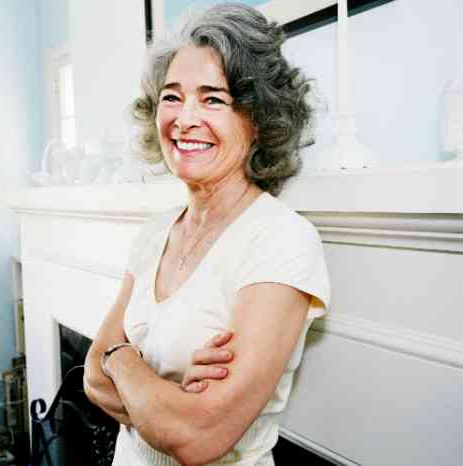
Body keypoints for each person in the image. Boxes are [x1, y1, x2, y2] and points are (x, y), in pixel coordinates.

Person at [83, 3, 330, 466]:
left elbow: (197, 435)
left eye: (213, 98)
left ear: (257, 120)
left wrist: (121, 360)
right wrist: (159, 389)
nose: (184, 118)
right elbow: (91, 378)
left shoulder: (282, 241)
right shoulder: (155, 231)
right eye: (171, 96)